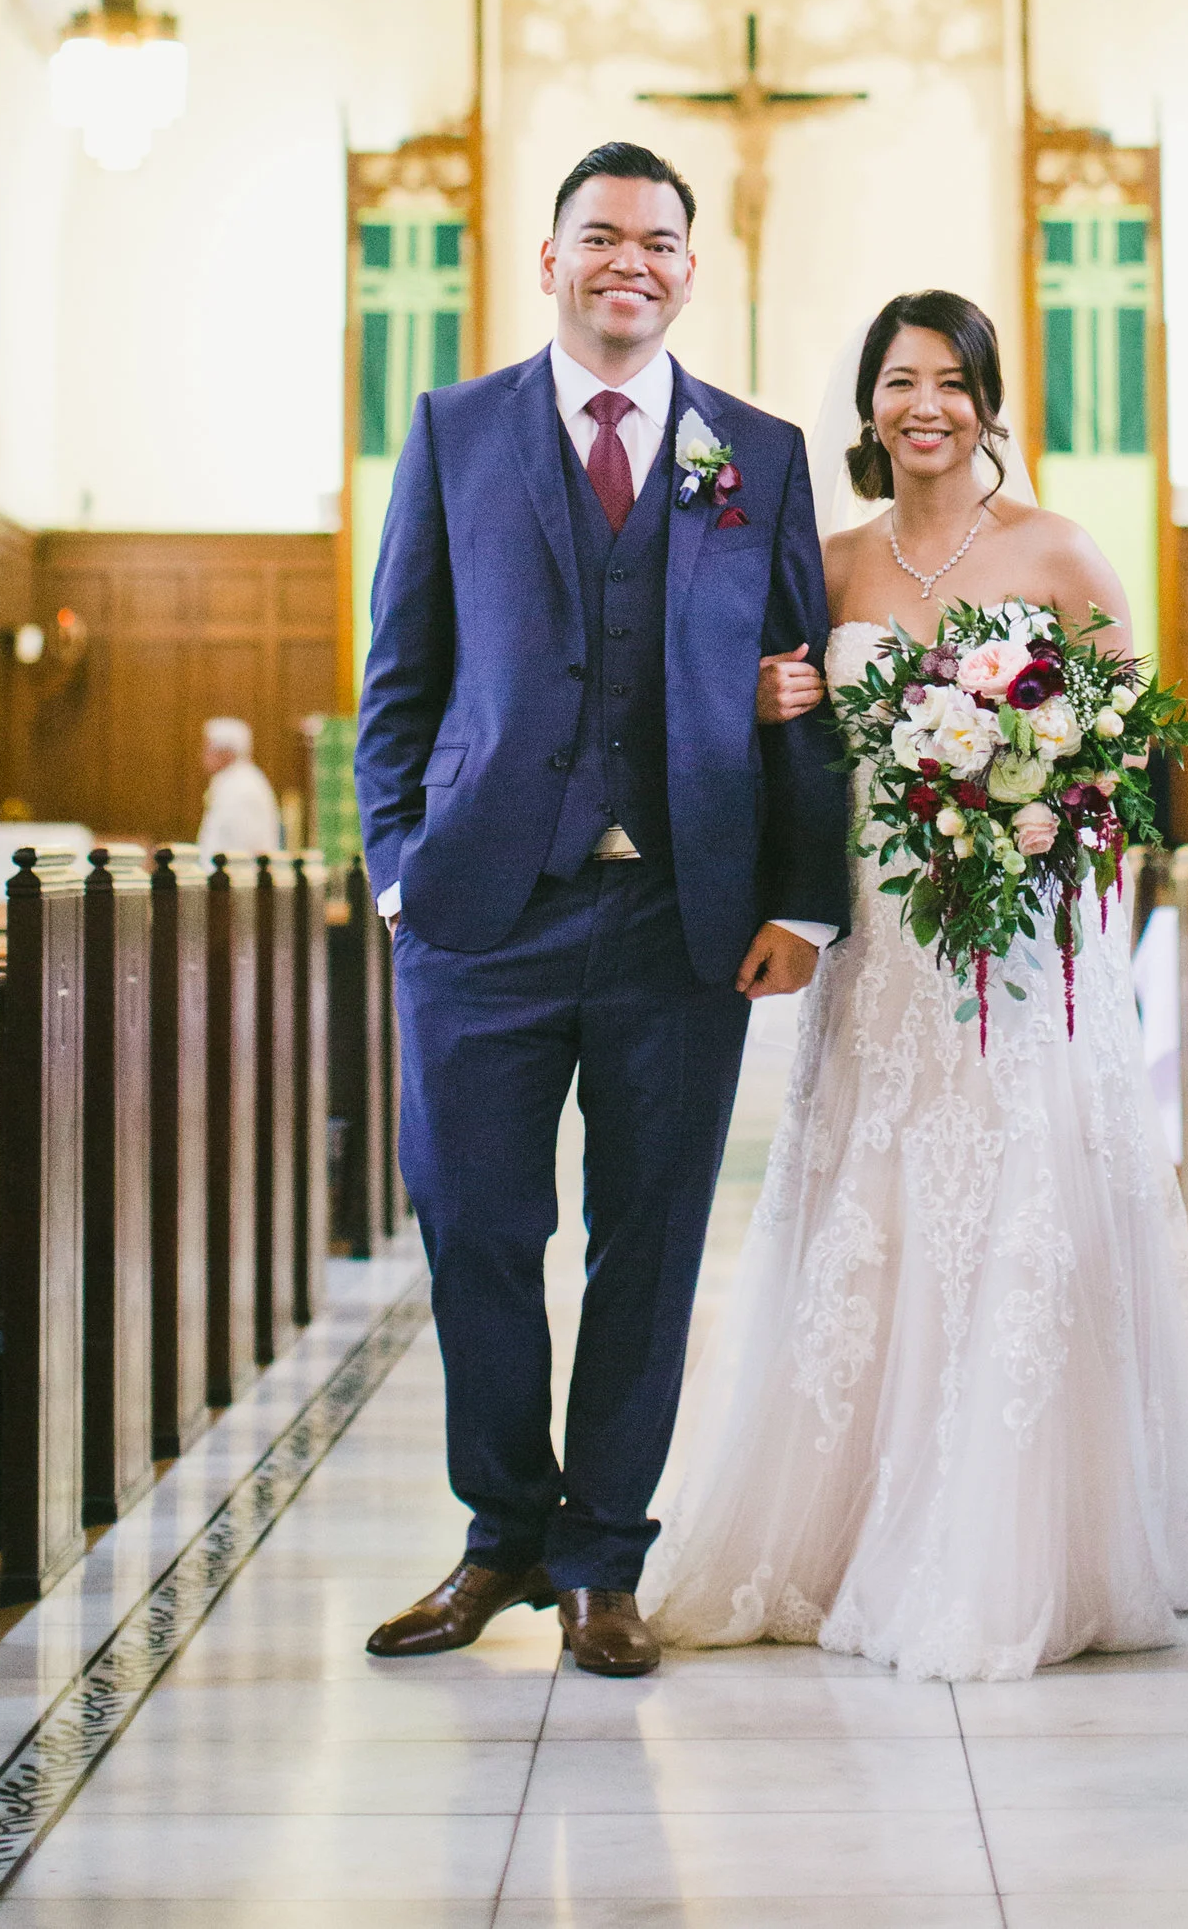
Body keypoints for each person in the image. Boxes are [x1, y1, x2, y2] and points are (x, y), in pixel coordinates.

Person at [646, 287, 1188, 1681]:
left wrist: (1045, 803)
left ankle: (1016, 1528)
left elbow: (1135, 748)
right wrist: (772, 701)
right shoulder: (822, 564)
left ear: (990, 403)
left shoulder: (1058, 549)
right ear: (869, 405)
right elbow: (760, 726)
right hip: (880, 931)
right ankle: (845, 1525)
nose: (925, 403)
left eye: (952, 379)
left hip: (1017, 935)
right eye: (899, 378)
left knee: (1019, 1193)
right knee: (873, 1195)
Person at [354, 142, 852, 1679]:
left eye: (657, 239)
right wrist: (395, 871)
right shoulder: (453, 432)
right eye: (600, 236)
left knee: (648, 1243)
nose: (628, 258)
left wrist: (805, 900)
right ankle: (501, 1533)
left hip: (680, 920)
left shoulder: (756, 454)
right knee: (479, 1225)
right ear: (551, 258)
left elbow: (803, 695)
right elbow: (398, 679)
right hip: (479, 917)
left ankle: (601, 1563)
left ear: (690, 270)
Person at [197, 716, 283, 859]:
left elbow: (241, 849)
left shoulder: (242, 787)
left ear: (226, 753)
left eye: (207, 748)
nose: (202, 754)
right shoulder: (230, 782)